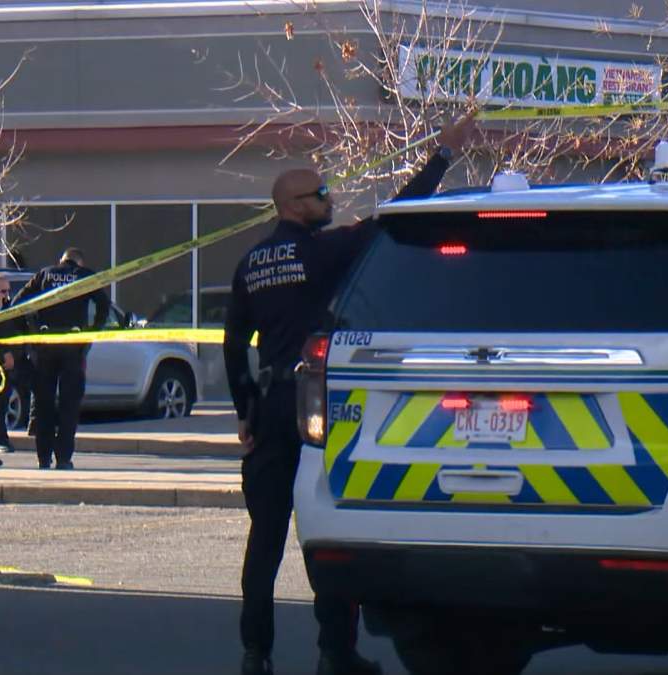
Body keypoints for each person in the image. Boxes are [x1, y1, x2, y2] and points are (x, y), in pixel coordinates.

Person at [223, 112, 477, 675]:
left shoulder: (251, 262)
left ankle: (254, 652)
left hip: (270, 406)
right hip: (316, 406)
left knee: (265, 538)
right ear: (294, 205)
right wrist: (442, 155)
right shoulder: (322, 253)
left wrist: (245, 410)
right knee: (329, 530)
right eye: (321, 193)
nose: (330, 198)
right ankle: (335, 652)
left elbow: (233, 341)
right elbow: (393, 214)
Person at [13, 248, 109, 470]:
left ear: (61, 261)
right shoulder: (85, 275)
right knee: (69, 405)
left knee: (44, 404)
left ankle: (43, 458)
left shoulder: (45, 274)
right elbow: (104, 306)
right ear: (79, 262)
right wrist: (91, 333)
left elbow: (17, 303)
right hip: (73, 347)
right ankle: (63, 458)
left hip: (45, 346)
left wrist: (29, 335)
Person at [0, 273, 24, 456]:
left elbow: (17, 334)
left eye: (8, 291)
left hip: (9, 365)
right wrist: (4, 355)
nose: (6, 295)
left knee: (2, 403)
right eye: (2, 291)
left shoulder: (11, 309)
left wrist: (14, 356)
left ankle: (1, 437)